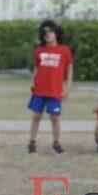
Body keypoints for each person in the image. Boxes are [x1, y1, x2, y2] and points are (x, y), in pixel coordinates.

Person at [27, 20, 73, 155]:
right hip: (40, 89)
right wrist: (33, 81)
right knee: (36, 116)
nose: (47, 35)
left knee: (55, 117)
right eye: (44, 33)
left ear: (56, 33)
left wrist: (68, 88)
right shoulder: (40, 50)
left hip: (55, 90)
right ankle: (32, 143)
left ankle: (56, 144)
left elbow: (69, 68)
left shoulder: (64, 50)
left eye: (50, 31)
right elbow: (37, 67)